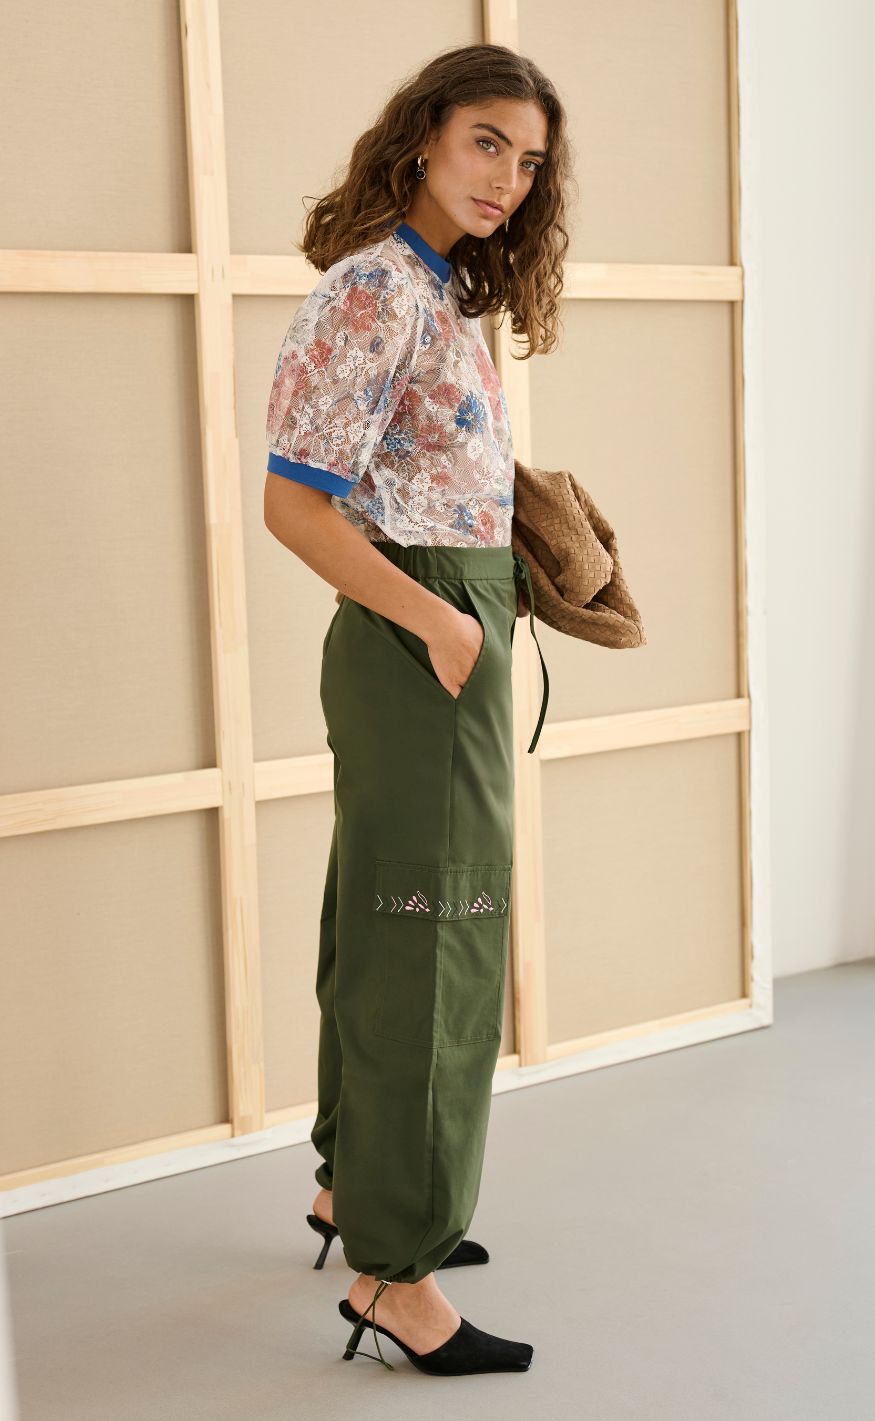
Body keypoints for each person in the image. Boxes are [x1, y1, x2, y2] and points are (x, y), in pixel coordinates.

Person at [263, 41, 572, 1377]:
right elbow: (294, 505)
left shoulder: (432, 291)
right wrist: (447, 621)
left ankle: (354, 1187)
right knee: (434, 937)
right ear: (426, 133)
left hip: (437, 633)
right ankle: (397, 1272)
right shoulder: (375, 291)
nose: (508, 177)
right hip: (422, 643)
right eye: (488, 141)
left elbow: (412, 477)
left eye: (530, 160)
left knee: (387, 915)